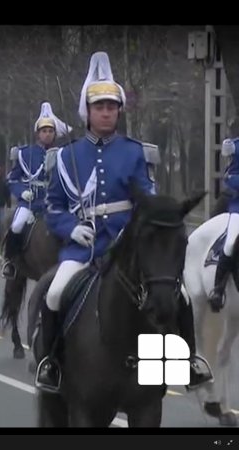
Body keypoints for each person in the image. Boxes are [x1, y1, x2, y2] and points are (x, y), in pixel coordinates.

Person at [35, 51, 213, 393]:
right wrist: (70, 228)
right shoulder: (67, 156)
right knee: (54, 293)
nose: (106, 112)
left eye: (112, 107)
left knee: (183, 296)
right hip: (82, 249)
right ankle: (51, 363)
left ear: (118, 111)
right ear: (88, 112)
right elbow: (53, 207)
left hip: (127, 246)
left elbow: (144, 196)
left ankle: (188, 361)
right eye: (100, 107)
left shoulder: (133, 152)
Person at [2, 102, 70, 278]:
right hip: (32, 201)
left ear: (55, 134)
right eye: (44, 131)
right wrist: (21, 191)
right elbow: (12, 178)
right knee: (17, 225)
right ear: (38, 134)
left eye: (50, 131)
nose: (47, 134)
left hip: (56, 202)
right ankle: (11, 261)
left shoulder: (63, 153)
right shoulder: (25, 153)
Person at [209, 137, 239, 311]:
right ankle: (218, 290)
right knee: (229, 244)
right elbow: (230, 177)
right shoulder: (234, 146)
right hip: (238, 208)